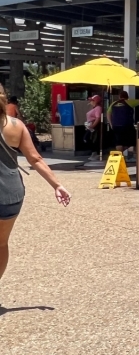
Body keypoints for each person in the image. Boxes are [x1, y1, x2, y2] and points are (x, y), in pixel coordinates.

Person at [0, 86, 71, 306]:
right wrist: (57, 185)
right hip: (10, 193)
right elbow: (36, 159)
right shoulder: (16, 126)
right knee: (1, 244)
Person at [84, 94, 104, 161]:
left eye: (92, 100)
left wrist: (93, 126)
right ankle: (94, 152)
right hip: (90, 126)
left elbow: (98, 118)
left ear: (95, 101)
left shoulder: (98, 108)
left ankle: (95, 153)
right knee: (88, 139)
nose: (90, 102)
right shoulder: (95, 108)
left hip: (94, 127)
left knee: (89, 139)